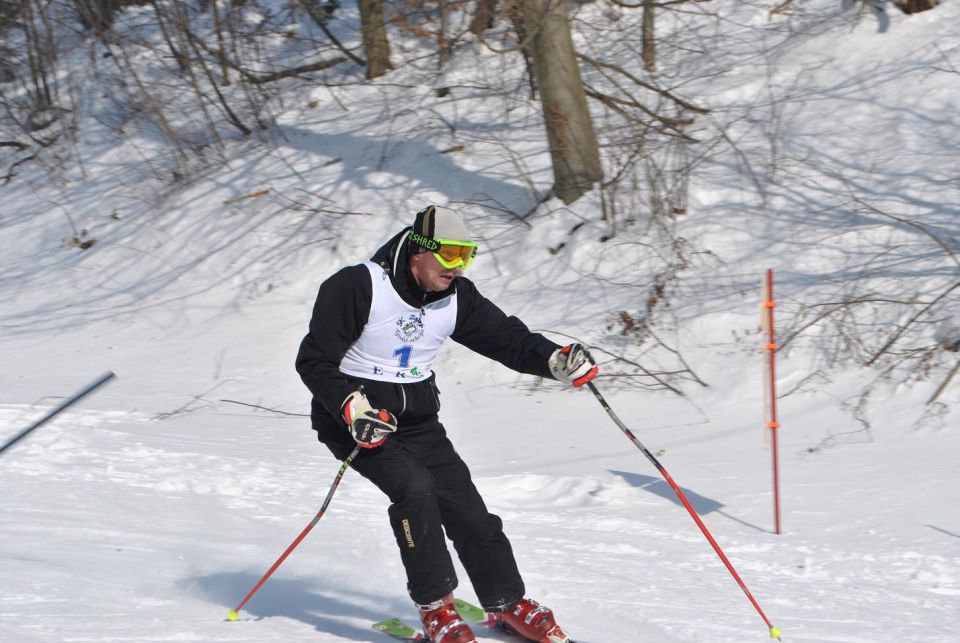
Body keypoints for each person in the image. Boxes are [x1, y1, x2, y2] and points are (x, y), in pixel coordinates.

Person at [296, 205, 599, 643]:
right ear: (419, 252)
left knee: (467, 509)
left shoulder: (457, 296)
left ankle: (507, 600)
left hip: (418, 420)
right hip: (357, 419)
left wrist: (555, 360)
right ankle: (436, 606)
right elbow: (314, 360)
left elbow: (508, 339)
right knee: (414, 489)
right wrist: (351, 406)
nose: (458, 267)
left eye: (467, 255)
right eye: (450, 255)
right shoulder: (359, 286)